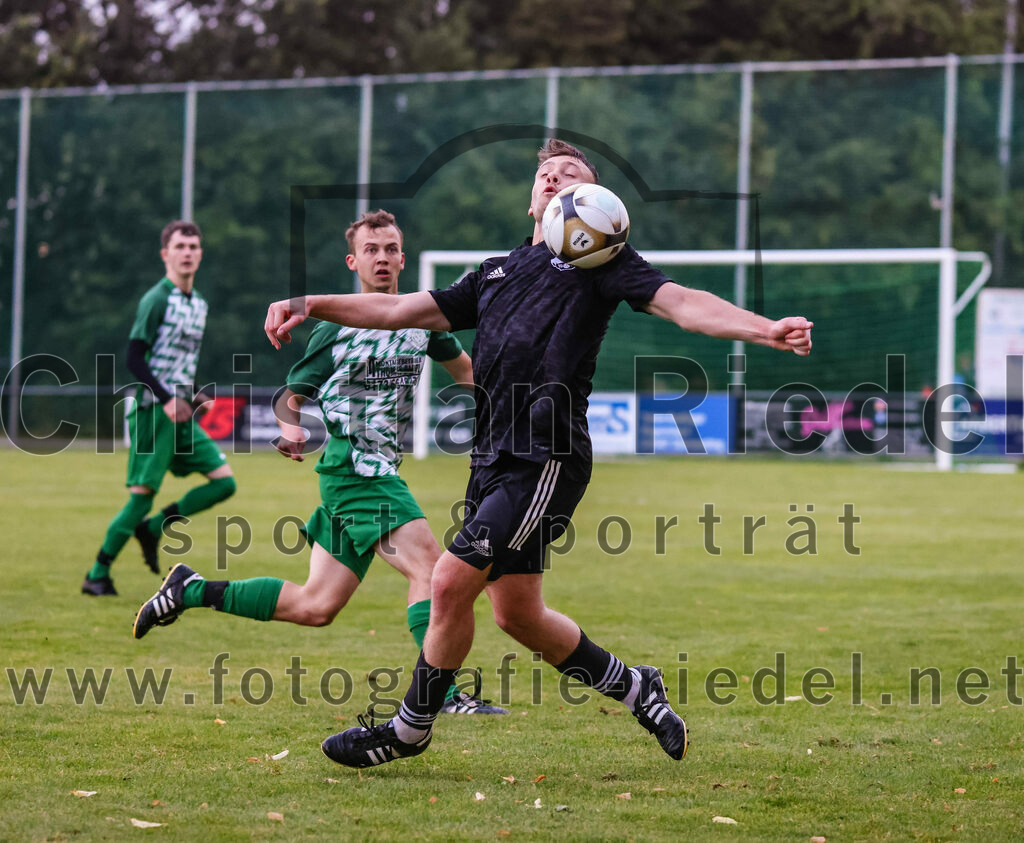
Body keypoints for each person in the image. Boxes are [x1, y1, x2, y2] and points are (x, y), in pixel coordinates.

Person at [264, 140, 814, 767]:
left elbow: (682, 303)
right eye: (545, 175)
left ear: (596, 202)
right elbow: (394, 309)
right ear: (532, 202)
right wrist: (308, 303)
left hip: (544, 455)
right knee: (519, 615)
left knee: (447, 582)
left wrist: (764, 328)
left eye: (570, 175)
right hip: (493, 459)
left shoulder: (600, 260)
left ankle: (408, 728)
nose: (554, 180)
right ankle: (638, 688)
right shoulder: (494, 272)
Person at [133, 210, 506, 715]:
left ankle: (190, 589)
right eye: (370, 250)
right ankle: (442, 694)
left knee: (315, 606)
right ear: (354, 261)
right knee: (433, 572)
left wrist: (514, 403)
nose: (382, 258)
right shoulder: (338, 326)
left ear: (403, 257)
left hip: (366, 473)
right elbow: (291, 396)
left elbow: (468, 373)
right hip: (357, 470)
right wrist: (290, 429)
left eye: (390, 248)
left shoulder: (424, 318)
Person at [83, 220, 236, 597]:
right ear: (165, 253)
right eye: (180, 246)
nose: (188, 252)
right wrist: (168, 398)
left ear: (201, 254)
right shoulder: (156, 299)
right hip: (154, 411)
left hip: (179, 411)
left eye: (194, 246)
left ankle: (152, 529)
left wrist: (195, 393)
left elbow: (179, 361)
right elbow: (134, 357)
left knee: (224, 482)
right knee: (141, 496)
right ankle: (96, 574)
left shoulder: (198, 304)